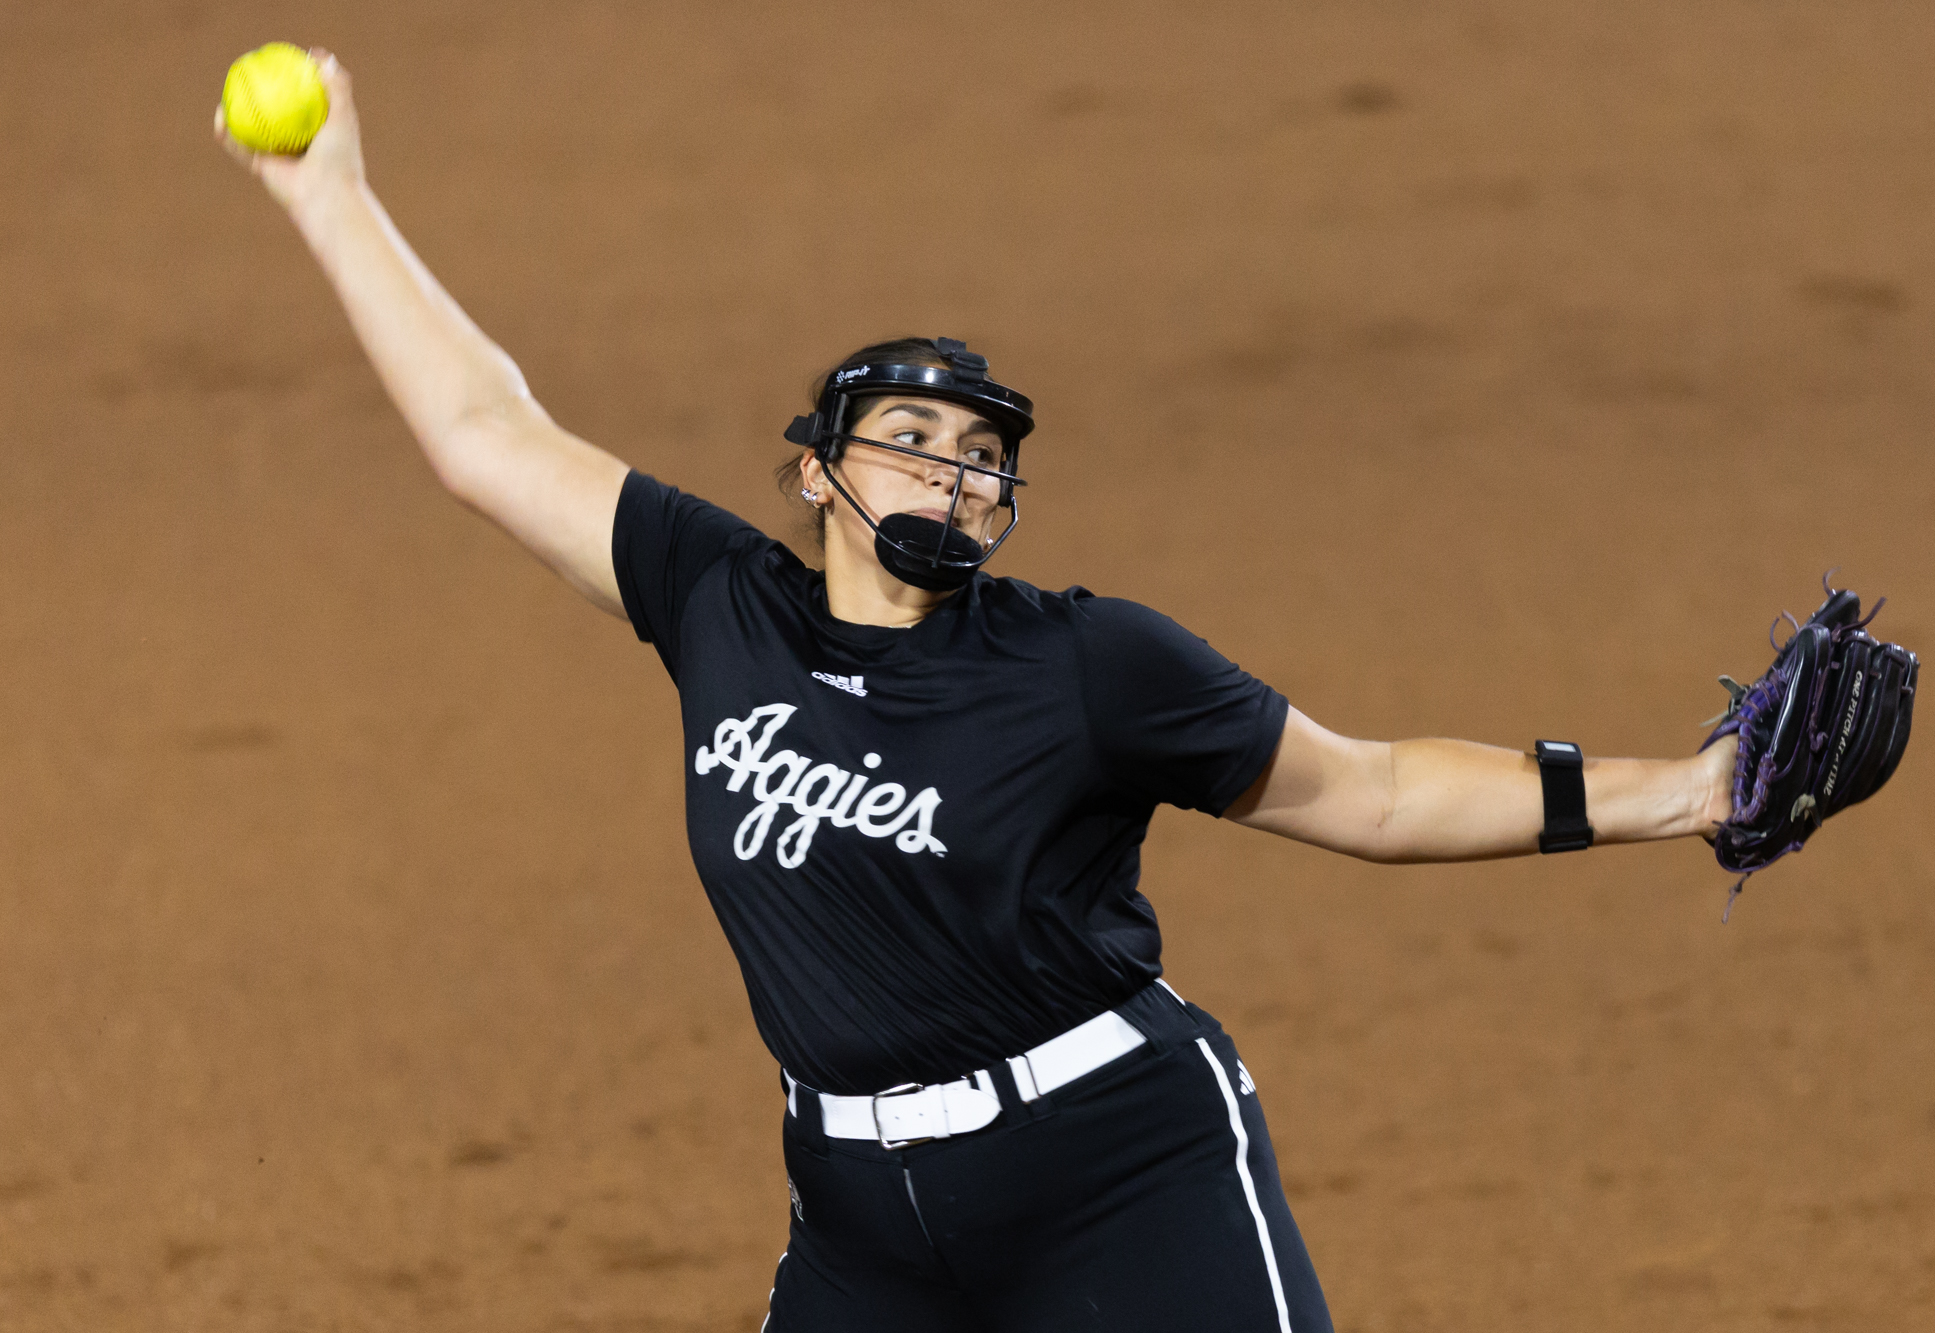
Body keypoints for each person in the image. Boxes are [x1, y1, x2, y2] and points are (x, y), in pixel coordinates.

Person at [218, 53, 1738, 1333]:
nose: (955, 464)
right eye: (912, 434)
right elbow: (488, 432)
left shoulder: (1087, 664)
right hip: (862, 1222)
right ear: (816, 471)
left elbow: (1377, 792)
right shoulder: (716, 599)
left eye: (981, 449)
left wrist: (1686, 790)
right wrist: (332, 196)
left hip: (1117, 1174)